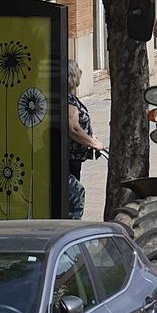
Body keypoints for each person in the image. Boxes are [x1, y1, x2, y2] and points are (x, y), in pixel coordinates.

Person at [64, 62, 100, 220]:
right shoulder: (69, 102)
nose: (81, 72)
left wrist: (91, 137)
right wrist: (93, 143)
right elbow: (73, 129)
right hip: (67, 160)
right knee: (75, 196)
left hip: (74, 160)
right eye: (78, 70)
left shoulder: (70, 98)